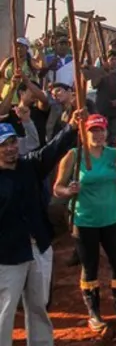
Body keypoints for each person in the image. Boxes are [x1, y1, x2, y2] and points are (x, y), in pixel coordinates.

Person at [53, 114, 116, 331]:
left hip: (110, 220)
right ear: (83, 133)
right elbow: (57, 188)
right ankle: (94, 315)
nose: (97, 134)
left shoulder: (113, 154)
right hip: (84, 221)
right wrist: (68, 190)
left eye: (100, 130)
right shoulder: (74, 156)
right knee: (90, 268)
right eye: (92, 130)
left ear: (107, 132)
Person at [0, 110, 82, 345]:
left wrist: (71, 127)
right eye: (4, 145)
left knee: (39, 305)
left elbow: (51, 151)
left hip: (39, 248)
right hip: (8, 255)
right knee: (5, 310)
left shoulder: (29, 166)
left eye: (13, 142)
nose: (10, 148)